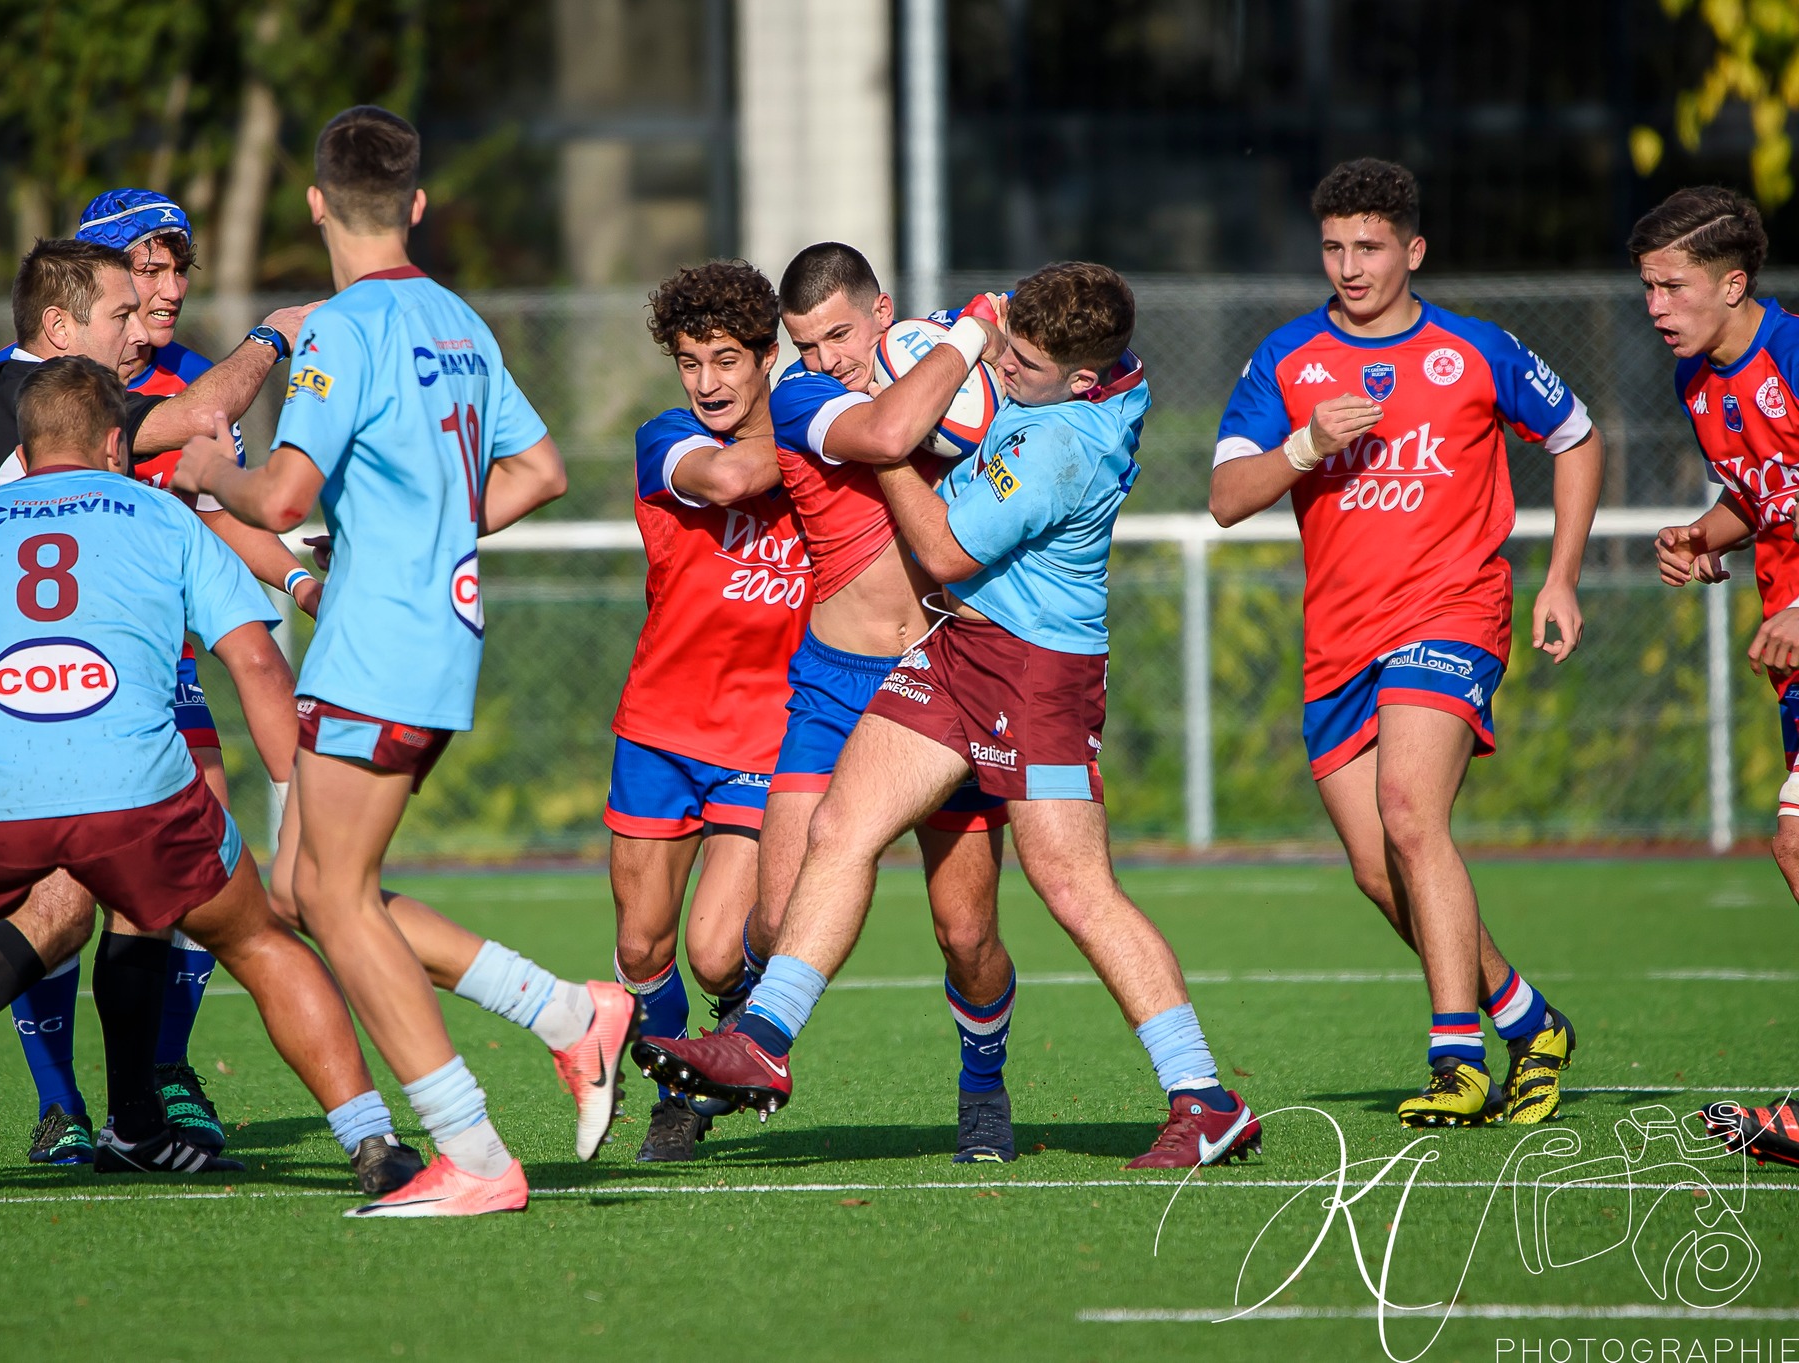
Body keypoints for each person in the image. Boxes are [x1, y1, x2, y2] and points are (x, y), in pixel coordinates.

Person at [638, 263, 1265, 1169]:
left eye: (1025, 363)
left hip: (1033, 675)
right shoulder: (1043, 375)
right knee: (842, 830)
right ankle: (762, 1040)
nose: (1002, 369)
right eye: (1004, 347)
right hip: (950, 655)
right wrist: (948, 349)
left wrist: (889, 439)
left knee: (1074, 890)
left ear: (1082, 380)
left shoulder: (1063, 444)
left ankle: (1204, 1096)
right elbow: (1006, 349)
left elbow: (937, 544)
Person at [173, 104, 635, 1217]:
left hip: (378, 637)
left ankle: (472, 1150)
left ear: (316, 203)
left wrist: (206, 472)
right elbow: (539, 470)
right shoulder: (459, 320)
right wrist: (421, 527)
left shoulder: (342, 326)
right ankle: (570, 1017)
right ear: (417, 205)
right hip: (428, 631)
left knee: (330, 896)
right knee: (304, 888)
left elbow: (279, 493)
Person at [0, 356, 423, 1203]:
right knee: (256, 937)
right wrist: (305, 799)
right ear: (118, 442)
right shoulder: (162, 515)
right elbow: (256, 659)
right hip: (138, 793)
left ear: (24, 453)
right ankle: (372, 1143)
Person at [0, 236, 316, 1168]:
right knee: (209, 900)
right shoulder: (52, 398)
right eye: (128, 301)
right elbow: (202, 423)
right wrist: (274, 336)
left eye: (163, 288)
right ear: (63, 323)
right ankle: (357, 1129)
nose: (145, 317)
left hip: (41, 685)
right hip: (73, 688)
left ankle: (100, 1104)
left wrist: (292, 579)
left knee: (60, 908)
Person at [1210, 159, 1602, 1129]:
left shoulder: (1473, 351)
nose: (1348, 265)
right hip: (1336, 640)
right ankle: (1526, 1018)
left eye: (1368, 246)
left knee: (1407, 812)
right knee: (1375, 868)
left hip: (1450, 613)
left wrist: (1557, 575)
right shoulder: (1286, 359)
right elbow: (1223, 500)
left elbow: (1576, 438)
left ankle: (1454, 1058)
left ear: (1411, 250)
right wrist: (1303, 445)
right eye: (1333, 247)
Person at [752, 243, 1021, 1162]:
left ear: (883, 311)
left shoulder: (933, 358)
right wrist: (972, 334)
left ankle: (982, 1084)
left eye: (838, 333)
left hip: (952, 672)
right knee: (773, 919)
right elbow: (884, 437)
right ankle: (741, 1040)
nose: (825, 357)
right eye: (805, 341)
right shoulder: (800, 396)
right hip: (838, 683)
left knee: (967, 931)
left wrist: (993, 344)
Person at [610, 261, 811, 1160]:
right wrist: (849, 428)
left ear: (767, 356)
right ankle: (679, 1082)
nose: (707, 382)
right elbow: (727, 482)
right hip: (659, 725)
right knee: (642, 945)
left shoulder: (821, 437)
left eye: (727, 360)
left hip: (764, 732)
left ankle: (716, 1059)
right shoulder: (667, 438)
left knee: (715, 950)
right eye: (690, 361)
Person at [1638, 188, 1799, 1162]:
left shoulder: (1792, 355)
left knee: (1792, 838)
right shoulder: (1695, 384)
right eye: (1645, 287)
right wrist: (1703, 534)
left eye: (1671, 286)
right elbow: (1761, 493)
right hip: (1786, 647)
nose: (1654, 306)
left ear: (1732, 283)